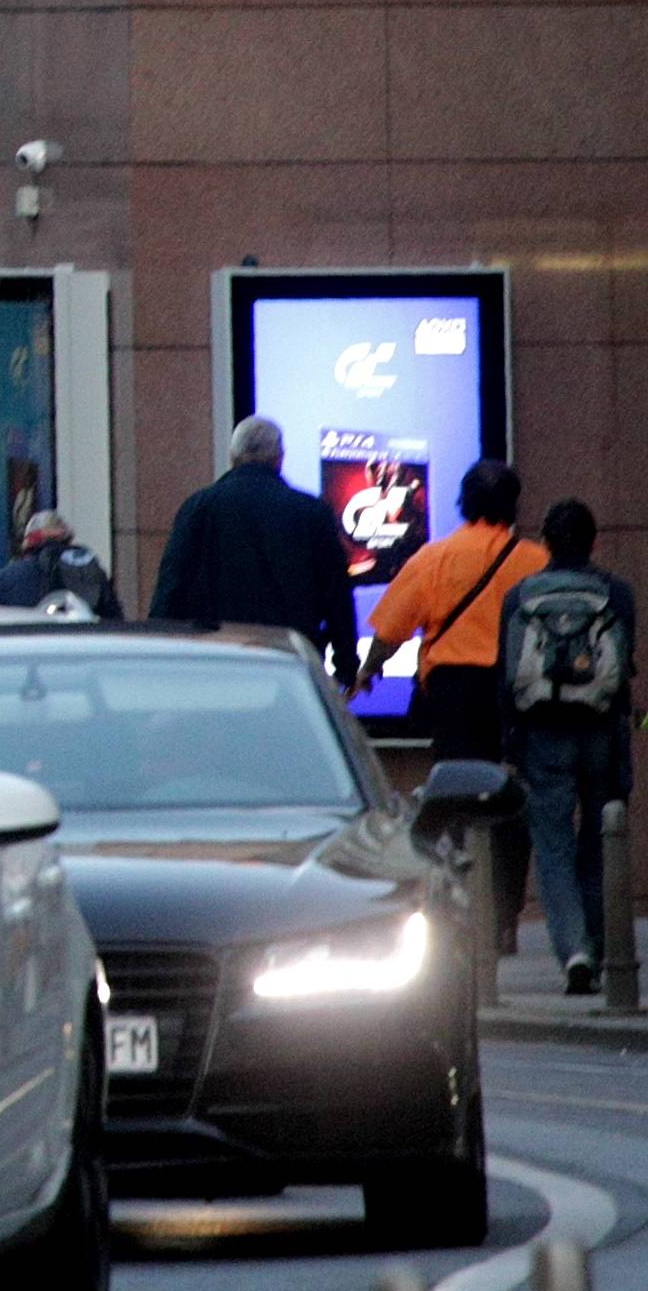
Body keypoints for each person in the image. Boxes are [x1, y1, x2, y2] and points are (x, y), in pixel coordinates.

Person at [500, 499, 636, 995]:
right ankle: (599, 947)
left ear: (546, 545)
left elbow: (508, 676)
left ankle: (574, 950)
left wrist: (510, 743)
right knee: (601, 842)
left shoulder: (520, 596)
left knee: (553, 847)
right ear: (595, 542)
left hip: (542, 736)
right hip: (601, 732)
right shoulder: (616, 594)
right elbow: (623, 676)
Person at [353, 460, 546, 757]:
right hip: (511, 688)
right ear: (512, 505)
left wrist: (369, 668)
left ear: (464, 501)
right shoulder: (537, 561)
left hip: (451, 691)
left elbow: (391, 630)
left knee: (455, 783)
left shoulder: (432, 558)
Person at [149, 416, 357, 687]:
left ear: (232, 456)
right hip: (288, 667)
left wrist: (156, 659)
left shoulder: (198, 508)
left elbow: (171, 587)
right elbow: (336, 595)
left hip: (215, 665)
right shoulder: (311, 513)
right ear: (279, 458)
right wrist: (346, 665)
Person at [0, 510, 123, 619]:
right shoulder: (90, 568)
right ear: (67, 538)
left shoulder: (9, 576)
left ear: (29, 543)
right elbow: (115, 617)